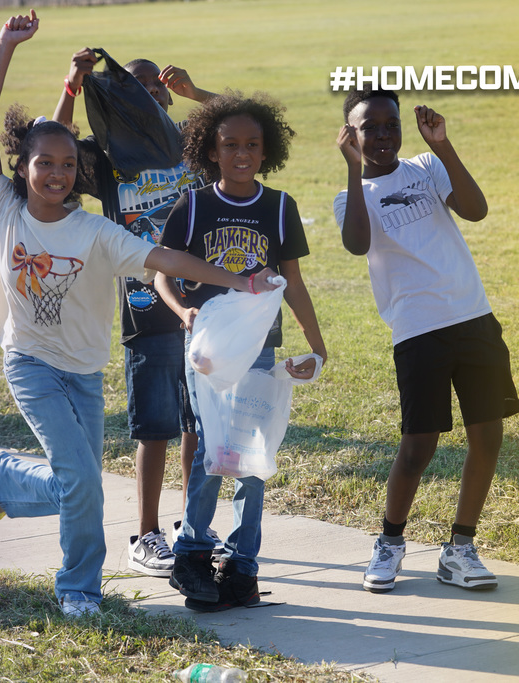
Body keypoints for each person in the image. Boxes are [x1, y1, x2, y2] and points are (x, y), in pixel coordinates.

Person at [0, 12, 280, 618]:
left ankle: (8, 479)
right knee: (82, 482)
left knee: (79, 484)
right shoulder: (4, 209)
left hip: (85, 373)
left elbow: (166, 256)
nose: (57, 173)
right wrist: (6, 45)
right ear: (23, 166)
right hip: (30, 363)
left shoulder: (95, 232)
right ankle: (78, 588)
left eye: (66, 165)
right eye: (44, 163)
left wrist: (240, 280)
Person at [334, 89, 519, 594]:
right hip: (418, 330)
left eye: (391, 124)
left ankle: (460, 548)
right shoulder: (350, 196)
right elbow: (357, 243)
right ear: (350, 135)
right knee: (418, 447)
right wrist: (353, 170)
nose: (384, 135)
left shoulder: (426, 166)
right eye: (370, 127)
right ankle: (390, 541)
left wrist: (442, 145)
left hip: (472, 315)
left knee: (488, 435)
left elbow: (476, 210)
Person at [155, 91, 327, 612]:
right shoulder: (193, 206)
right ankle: (192, 555)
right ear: (212, 151)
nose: (242, 153)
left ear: (266, 150)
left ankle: (241, 568)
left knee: (252, 458)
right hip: (208, 352)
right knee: (213, 452)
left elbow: (294, 282)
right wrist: (183, 312)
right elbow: (162, 272)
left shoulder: (279, 207)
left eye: (252, 144)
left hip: (260, 351)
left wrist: (317, 345)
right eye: (230, 144)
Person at [53, 47, 220, 577]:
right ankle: (146, 534)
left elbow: (245, 126)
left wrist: (197, 93)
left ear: (168, 97)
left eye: (157, 87)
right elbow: (53, 145)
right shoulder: (107, 160)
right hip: (145, 307)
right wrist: (72, 85)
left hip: (203, 307)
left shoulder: (190, 144)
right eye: (136, 88)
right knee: (154, 425)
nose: (148, 94)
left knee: (200, 421)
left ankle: (193, 524)